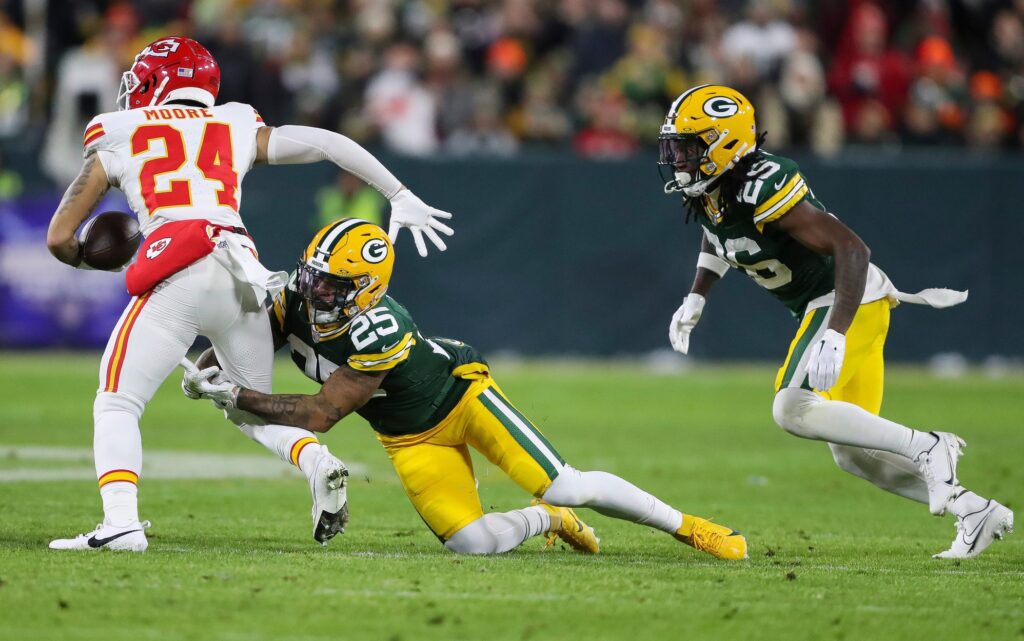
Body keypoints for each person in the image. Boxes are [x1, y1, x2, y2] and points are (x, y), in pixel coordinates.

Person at [44, 36, 453, 552]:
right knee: (247, 406)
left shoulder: (119, 130)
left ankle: (121, 522)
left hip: (179, 266)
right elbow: (328, 141)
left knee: (117, 401)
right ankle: (315, 461)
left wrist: (90, 256)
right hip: (244, 274)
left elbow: (60, 237)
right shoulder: (235, 121)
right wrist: (399, 193)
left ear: (154, 83)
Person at [179, 219, 747, 559]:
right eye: (314, 276)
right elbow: (244, 339)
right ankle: (549, 520)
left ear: (367, 289)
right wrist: (212, 365)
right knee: (470, 545)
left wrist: (238, 397)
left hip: (461, 399)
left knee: (566, 483)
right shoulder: (293, 299)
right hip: (408, 437)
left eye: (332, 285)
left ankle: (689, 528)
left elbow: (325, 414)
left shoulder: (381, 323)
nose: (315, 291)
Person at [659, 84, 1013, 559]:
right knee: (853, 454)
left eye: (689, 147)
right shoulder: (713, 190)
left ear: (725, 143)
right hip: (834, 304)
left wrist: (835, 331)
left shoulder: (763, 181)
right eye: (677, 147)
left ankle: (929, 447)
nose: (679, 158)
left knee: (792, 407)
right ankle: (974, 510)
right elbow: (719, 235)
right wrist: (696, 295)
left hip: (848, 298)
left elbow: (854, 250)